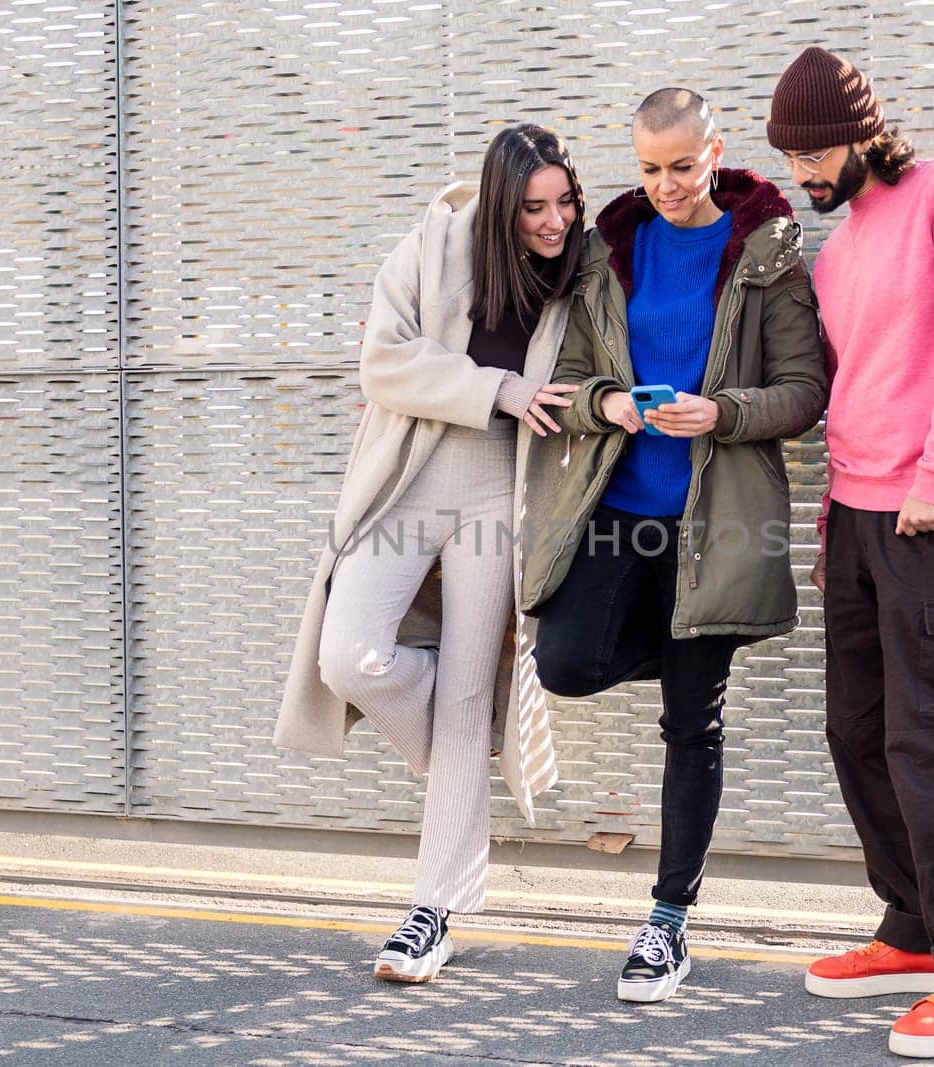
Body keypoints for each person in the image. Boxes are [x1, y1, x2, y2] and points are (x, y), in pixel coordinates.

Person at [521, 88, 827, 1004]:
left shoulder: (766, 251)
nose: (664, 185)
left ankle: (667, 921)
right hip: (616, 509)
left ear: (716, 153)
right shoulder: (610, 252)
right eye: (649, 168)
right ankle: (701, 647)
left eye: (682, 166)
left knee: (691, 725)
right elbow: (571, 381)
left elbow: (805, 390)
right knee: (565, 663)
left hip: (715, 520)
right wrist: (606, 402)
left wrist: (722, 413)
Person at [273, 124, 584, 983]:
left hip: (501, 486)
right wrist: (499, 388)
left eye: (565, 202)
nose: (554, 221)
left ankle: (431, 912)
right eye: (533, 208)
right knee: (350, 654)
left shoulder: (580, 270)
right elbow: (384, 363)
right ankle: (457, 735)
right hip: (412, 472)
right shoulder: (431, 245)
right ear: (497, 205)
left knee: (468, 693)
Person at [765, 46, 934, 1058]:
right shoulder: (835, 251)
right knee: (858, 728)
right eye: (790, 158)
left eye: (811, 153)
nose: (802, 175)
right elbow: (853, 388)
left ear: (860, 132)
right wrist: (839, 516)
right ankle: (914, 926)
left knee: (933, 737)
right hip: (860, 515)